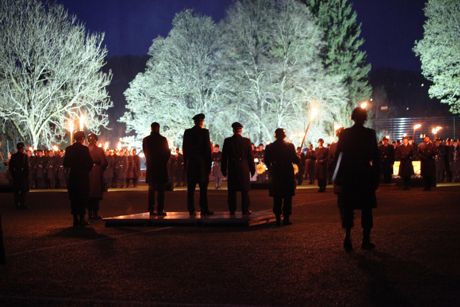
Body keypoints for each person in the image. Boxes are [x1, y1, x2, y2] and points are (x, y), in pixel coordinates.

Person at [334, 107, 379, 251]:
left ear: (352, 117)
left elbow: (338, 156)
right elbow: (375, 156)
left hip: (349, 174)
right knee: (366, 208)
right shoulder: (370, 134)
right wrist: (376, 175)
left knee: (347, 207)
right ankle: (366, 239)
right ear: (364, 118)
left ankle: (347, 237)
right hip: (364, 174)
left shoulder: (345, 134)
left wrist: (336, 176)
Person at [264, 128, 300, 226]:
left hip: (276, 173)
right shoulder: (290, 146)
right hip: (287, 173)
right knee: (287, 197)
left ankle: (278, 219)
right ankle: (286, 218)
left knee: (277, 197)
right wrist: (298, 157)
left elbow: (266, 160)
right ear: (284, 135)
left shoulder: (270, 147)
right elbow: (295, 160)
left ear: (275, 135)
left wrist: (271, 167)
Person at [221, 122, 256, 215]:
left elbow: (224, 157)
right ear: (241, 130)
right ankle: (245, 209)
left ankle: (232, 209)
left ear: (233, 130)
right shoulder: (246, 141)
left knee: (232, 191)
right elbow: (250, 157)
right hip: (243, 168)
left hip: (232, 168)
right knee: (245, 191)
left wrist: (223, 169)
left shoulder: (227, 141)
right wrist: (252, 169)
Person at [183, 113, 213, 216]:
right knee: (203, 188)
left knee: (190, 189)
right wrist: (209, 165)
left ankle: (191, 209)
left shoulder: (188, 132)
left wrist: (186, 163)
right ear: (201, 122)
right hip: (201, 164)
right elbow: (207, 150)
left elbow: (185, 149)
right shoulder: (204, 132)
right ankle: (204, 208)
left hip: (191, 163)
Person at [63, 131, 93, 227]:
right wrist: (86, 170)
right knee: (83, 197)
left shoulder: (69, 149)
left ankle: (75, 219)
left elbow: (65, 163)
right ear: (82, 139)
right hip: (82, 176)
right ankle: (82, 218)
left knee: (74, 198)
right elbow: (90, 163)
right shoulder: (84, 149)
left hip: (73, 176)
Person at [143, 122, 171, 216]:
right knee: (161, 190)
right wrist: (163, 161)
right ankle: (160, 209)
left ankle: (151, 209)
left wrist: (150, 161)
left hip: (151, 167)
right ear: (158, 128)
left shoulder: (146, 140)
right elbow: (167, 153)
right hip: (161, 167)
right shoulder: (163, 139)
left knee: (151, 189)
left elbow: (146, 153)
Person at [87, 133, 108, 220]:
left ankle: (92, 213)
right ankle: (93, 214)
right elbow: (104, 163)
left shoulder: (87, 149)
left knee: (92, 194)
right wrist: (101, 169)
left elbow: (104, 163)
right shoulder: (98, 150)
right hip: (95, 172)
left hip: (91, 172)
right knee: (93, 194)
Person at [8, 142, 29, 209]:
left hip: (19, 175)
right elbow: (11, 166)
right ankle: (20, 204)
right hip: (18, 175)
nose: (21, 149)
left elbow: (26, 167)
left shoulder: (23, 156)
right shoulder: (18, 156)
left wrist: (13, 174)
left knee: (20, 191)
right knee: (19, 191)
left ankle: (20, 204)